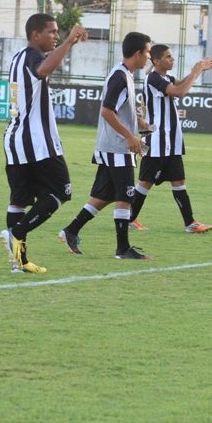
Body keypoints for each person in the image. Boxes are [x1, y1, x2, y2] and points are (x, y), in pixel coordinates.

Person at [0, 14, 88, 274]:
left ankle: (19, 262)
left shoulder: (18, 56)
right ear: (35, 34)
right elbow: (43, 70)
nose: (57, 36)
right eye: (52, 32)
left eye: (59, 32)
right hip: (36, 141)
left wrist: (67, 43)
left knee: (19, 201)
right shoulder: (32, 57)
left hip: (15, 138)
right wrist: (69, 42)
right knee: (61, 191)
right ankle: (16, 232)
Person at [58, 32, 153, 260]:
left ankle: (71, 230)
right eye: (148, 52)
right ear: (138, 53)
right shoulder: (120, 77)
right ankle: (123, 249)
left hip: (112, 146)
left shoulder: (125, 75)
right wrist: (129, 136)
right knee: (126, 197)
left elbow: (119, 109)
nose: (149, 57)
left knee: (107, 195)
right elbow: (107, 111)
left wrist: (139, 122)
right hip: (116, 148)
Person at [127, 45, 212, 234]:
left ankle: (190, 223)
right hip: (156, 140)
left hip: (171, 141)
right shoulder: (153, 78)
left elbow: (181, 83)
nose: (172, 59)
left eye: (172, 56)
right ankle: (128, 218)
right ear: (156, 61)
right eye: (168, 57)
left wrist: (198, 70)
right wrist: (196, 72)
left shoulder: (165, 78)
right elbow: (179, 92)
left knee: (178, 180)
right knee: (145, 182)